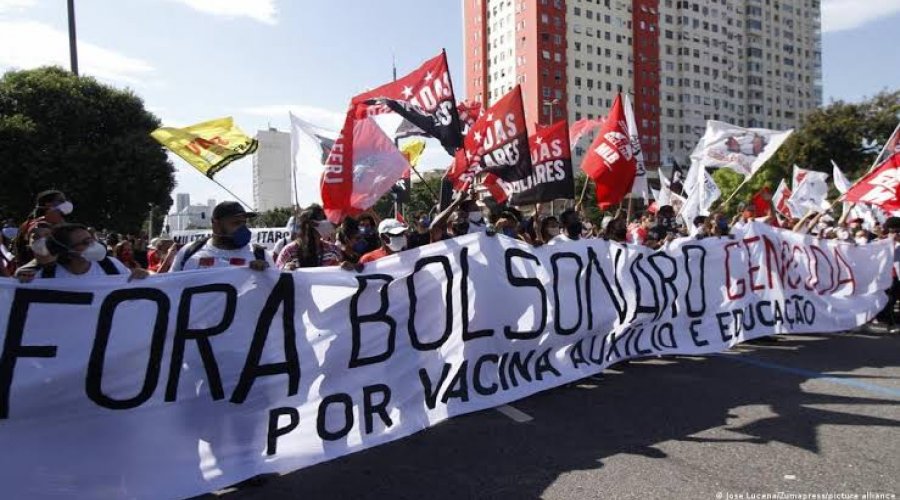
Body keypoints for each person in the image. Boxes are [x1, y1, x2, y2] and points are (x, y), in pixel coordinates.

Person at [16, 223, 146, 280]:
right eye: (85, 243)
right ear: (67, 250)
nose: (93, 245)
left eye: (91, 240)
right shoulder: (45, 276)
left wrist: (140, 277)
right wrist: (20, 285)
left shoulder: (111, 266)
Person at [171, 201, 273, 271]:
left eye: (244, 223)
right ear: (216, 224)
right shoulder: (189, 252)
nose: (242, 228)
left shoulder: (260, 255)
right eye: (236, 223)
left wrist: (265, 272)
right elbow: (172, 287)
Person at [13, 190, 73, 267]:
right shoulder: (38, 225)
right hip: (39, 272)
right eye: (61, 200)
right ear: (48, 204)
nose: (66, 203)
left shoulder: (30, 222)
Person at [276, 205, 342, 270]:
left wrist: (343, 265)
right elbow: (276, 273)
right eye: (324, 218)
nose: (330, 223)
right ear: (313, 223)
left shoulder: (333, 250)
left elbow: (343, 270)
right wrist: (285, 268)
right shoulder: (288, 252)